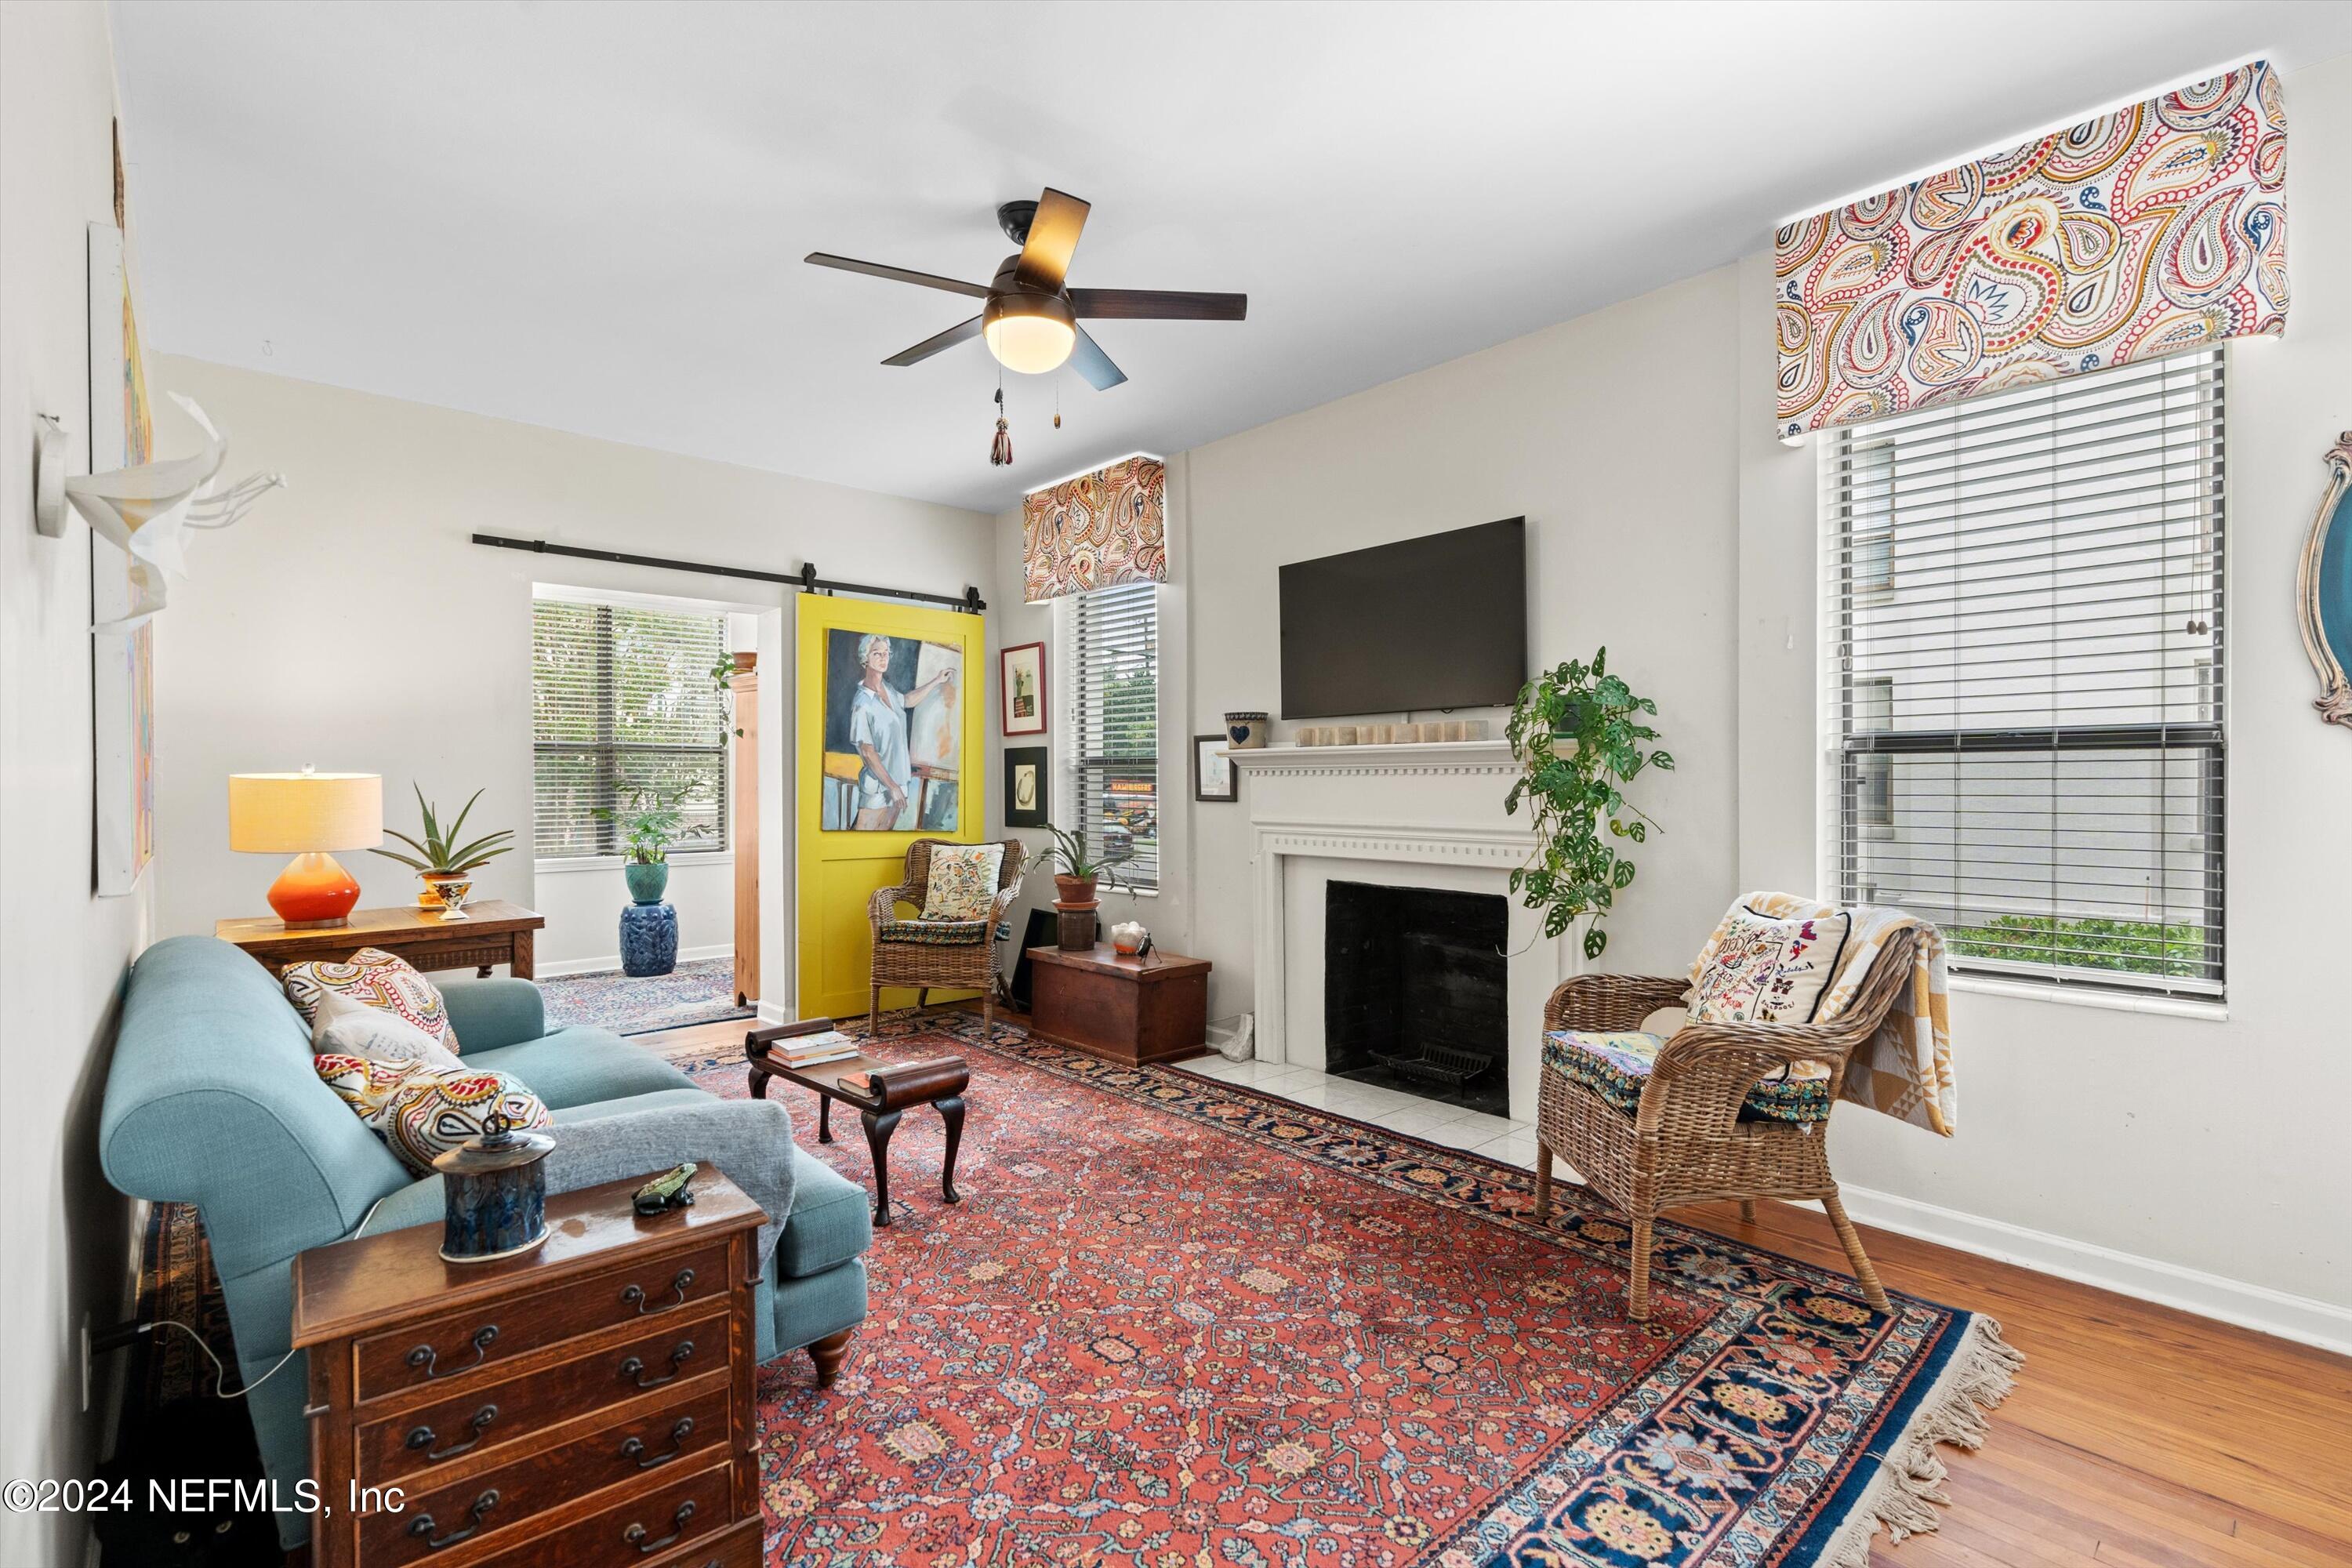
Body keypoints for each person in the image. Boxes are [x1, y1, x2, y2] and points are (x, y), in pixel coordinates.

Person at [849, 632, 955, 829]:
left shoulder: (887, 689)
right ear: (866, 658)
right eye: (877, 654)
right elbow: (867, 752)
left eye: (886, 653)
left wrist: (936, 681)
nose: (883, 658)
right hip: (879, 787)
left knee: (882, 843)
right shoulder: (862, 702)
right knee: (861, 840)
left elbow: (906, 701)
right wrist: (892, 787)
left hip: (899, 783)